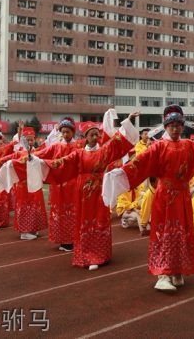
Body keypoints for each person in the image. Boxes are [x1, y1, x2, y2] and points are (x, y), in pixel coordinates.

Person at [101, 105, 194, 292]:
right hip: (165, 198)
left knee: (181, 232)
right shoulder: (158, 147)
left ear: (182, 127)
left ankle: (177, 270)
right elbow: (139, 164)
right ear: (165, 126)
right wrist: (120, 173)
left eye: (178, 125)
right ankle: (162, 274)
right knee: (165, 232)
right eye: (171, 125)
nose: (175, 128)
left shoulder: (189, 145)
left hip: (182, 197)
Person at [30, 113, 139, 271]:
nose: (95, 137)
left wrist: (128, 121)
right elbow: (61, 163)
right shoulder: (79, 154)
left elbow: (118, 141)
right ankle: (87, 253)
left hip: (100, 191)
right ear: (85, 137)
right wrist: (40, 162)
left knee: (100, 219)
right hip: (83, 193)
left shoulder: (104, 151)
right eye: (92, 134)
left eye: (97, 134)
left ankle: (101, 254)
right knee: (85, 221)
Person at [30, 117, 83, 251]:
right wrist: (30, 155)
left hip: (73, 185)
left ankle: (71, 240)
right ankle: (63, 239)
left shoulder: (79, 146)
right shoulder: (56, 146)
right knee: (59, 212)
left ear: (73, 132)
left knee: (72, 212)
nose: (65, 135)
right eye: (63, 132)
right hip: (58, 186)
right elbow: (40, 153)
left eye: (68, 132)